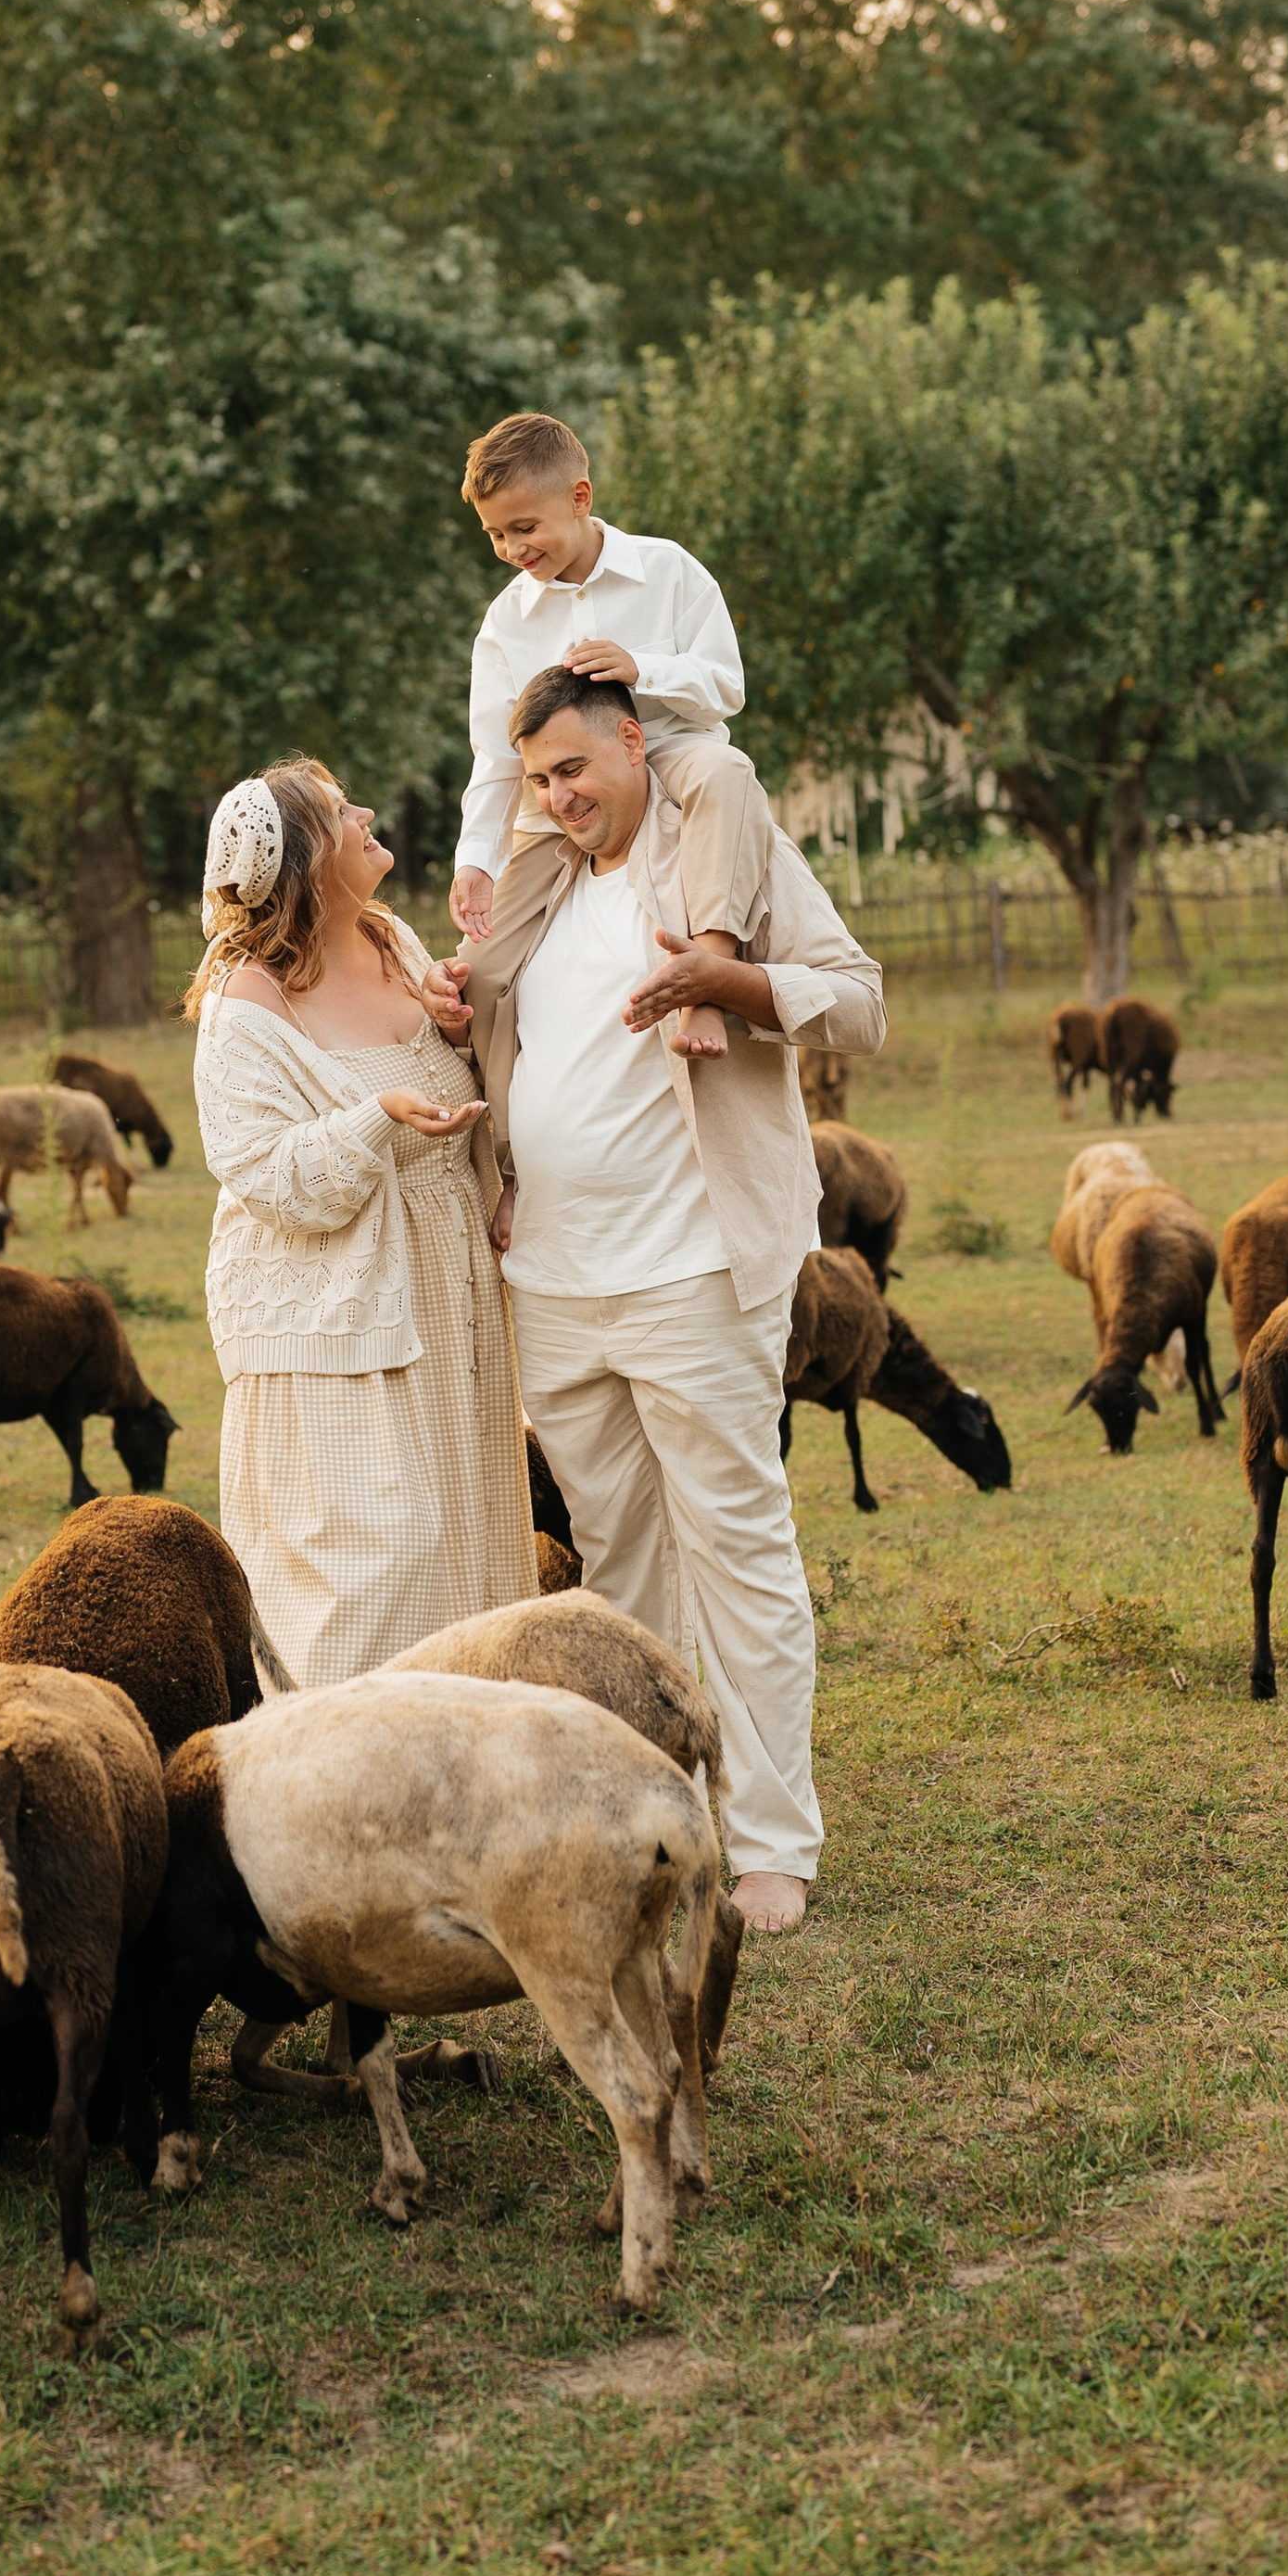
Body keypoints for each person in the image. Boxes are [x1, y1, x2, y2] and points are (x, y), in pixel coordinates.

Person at [467, 667, 884, 1931]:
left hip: (691, 1270)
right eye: (538, 777)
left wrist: (731, 985)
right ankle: (658, 1819)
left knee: (738, 1550)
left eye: (577, 768)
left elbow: (856, 1000)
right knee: (618, 1568)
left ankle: (771, 1843)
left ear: (637, 743)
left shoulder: (723, 852)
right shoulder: (541, 882)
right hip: (551, 1281)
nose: (558, 796)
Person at [188, 759, 538, 1687]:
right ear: (307, 859)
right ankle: (341, 1788)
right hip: (337, 1328)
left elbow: (456, 1088)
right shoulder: (243, 999)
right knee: (375, 1570)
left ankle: (464, 1784)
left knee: (466, 1556)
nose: (369, 813)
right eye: (345, 812)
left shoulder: (389, 938)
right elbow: (263, 1170)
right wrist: (374, 1116)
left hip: (446, 1294)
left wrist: (459, 1033)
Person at [449, 410, 777, 1060]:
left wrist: (642, 668)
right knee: (478, 975)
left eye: (524, 528)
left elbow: (726, 684)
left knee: (724, 769)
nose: (513, 550)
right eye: (495, 536)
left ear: (580, 498)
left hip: (668, 752)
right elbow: (493, 754)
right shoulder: (505, 622)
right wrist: (475, 861)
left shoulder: (669, 570)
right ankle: (494, 1133)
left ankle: (707, 980)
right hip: (558, 795)